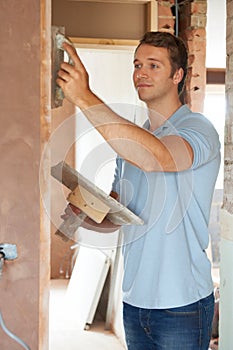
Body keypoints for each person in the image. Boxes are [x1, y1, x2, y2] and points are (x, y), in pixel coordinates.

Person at [57, 31, 221, 349]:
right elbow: (120, 213)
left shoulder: (199, 129)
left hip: (182, 305)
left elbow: (156, 157)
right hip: (134, 301)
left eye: (153, 65)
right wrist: (85, 214)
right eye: (137, 64)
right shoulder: (130, 144)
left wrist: (84, 97)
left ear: (178, 75)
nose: (140, 73)